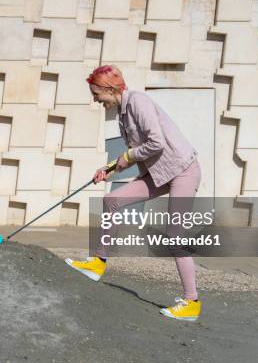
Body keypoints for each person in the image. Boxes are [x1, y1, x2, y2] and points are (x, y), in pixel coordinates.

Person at [65, 65, 203, 321]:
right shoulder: (122, 113)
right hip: (160, 173)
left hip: (183, 170)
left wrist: (126, 158)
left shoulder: (138, 101)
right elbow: (135, 152)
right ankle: (98, 262)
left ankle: (191, 301)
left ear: (108, 88)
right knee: (112, 200)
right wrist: (109, 168)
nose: (95, 99)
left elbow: (156, 142)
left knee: (174, 235)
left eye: (96, 93)